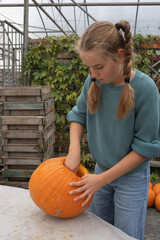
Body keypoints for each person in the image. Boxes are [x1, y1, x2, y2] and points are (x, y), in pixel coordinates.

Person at [64, 20, 160, 240]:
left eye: (98, 66)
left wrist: (101, 180)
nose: (93, 74)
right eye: (89, 67)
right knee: (99, 232)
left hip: (131, 179)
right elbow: (78, 115)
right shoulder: (93, 81)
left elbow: (145, 148)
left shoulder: (145, 90)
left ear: (119, 55)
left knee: (124, 235)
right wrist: (74, 149)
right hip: (100, 171)